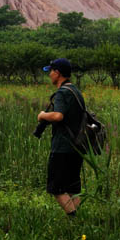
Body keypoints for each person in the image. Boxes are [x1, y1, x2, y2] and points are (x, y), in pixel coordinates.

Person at [36, 57, 86, 217]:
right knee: (72, 188)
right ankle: (77, 220)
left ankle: (73, 218)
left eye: (50, 71)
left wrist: (43, 115)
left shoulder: (62, 93)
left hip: (63, 147)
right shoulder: (75, 91)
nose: (49, 75)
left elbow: (58, 116)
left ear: (57, 73)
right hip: (77, 147)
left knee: (56, 188)